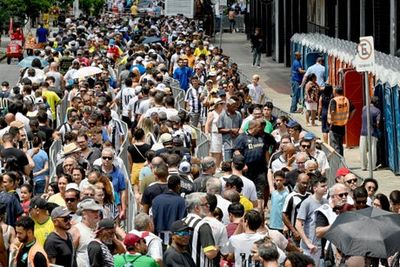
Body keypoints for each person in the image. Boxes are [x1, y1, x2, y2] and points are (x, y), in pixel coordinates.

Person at [295, 175, 328, 265]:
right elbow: (298, 224)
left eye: (326, 186)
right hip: (309, 247)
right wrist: (308, 243)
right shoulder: (307, 203)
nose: (326, 188)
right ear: (315, 188)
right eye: (323, 186)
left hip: (320, 245)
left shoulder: (326, 202)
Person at [182, 192, 218, 266]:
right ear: (197, 208)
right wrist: (217, 248)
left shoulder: (181, 222)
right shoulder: (203, 226)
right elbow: (210, 253)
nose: (208, 206)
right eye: (205, 204)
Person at [69, 198, 103, 267]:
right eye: (93, 211)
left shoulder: (100, 229)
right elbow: (70, 255)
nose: (96, 214)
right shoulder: (77, 230)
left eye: (97, 211)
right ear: (84, 214)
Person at [328, 87, 356, 156]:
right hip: (342, 125)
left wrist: (331, 121)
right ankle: (341, 160)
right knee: (340, 145)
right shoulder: (346, 100)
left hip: (334, 125)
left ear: (335, 92)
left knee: (335, 146)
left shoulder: (334, 100)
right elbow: (354, 110)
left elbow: (332, 111)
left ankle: (338, 163)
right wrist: (348, 118)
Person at [359, 96, 381, 171]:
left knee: (363, 149)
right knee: (372, 149)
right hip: (372, 132)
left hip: (363, 131)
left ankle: (363, 166)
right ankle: (372, 167)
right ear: (377, 103)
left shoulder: (364, 108)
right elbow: (378, 123)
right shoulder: (377, 111)